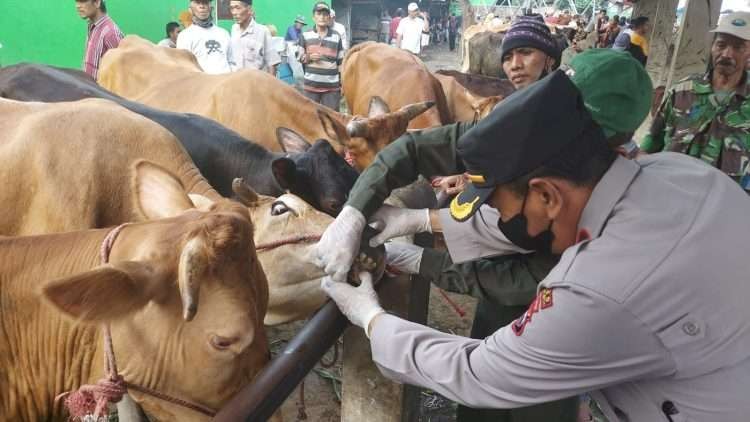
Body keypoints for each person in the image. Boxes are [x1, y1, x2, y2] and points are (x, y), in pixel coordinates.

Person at [321, 68, 750, 421]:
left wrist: (371, 318)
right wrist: (361, 215)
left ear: (547, 195)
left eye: (501, 207)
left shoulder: (599, 287)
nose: (502, 220)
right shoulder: (682, 172)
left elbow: (477, 372)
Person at [643, 11, 750, 191]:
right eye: (721, 44)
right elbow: (652, 141)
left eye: (739, 48)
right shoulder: (682, 91)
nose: (727, 54)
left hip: (721, 209)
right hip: (666, 194)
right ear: (712, 47)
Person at [299, 2, 345, 110]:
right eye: (319, 14)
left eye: (325, 14)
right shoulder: (305, 35)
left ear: (329, 17)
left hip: (332, 88)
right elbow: (299, 56)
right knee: (310, 118)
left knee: (332, 119)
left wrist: (342, 84)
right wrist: (309, 57)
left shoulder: (336, 36)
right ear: (313, 17)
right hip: (311, 87)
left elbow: (340, 62)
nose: (322, 17)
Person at [177, 0, 234, 74]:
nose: (202, 6)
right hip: (201, 84)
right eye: (198, 3)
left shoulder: (224, 33)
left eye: (205, 3)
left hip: (226, 82)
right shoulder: (185, 36)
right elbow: (184, 67)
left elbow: (232, 62)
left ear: (211, 7)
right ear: (190, 9)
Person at [75, 0, 124, 79]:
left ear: (97, 2)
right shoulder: (92, 26)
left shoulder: (111, 33)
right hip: (89, 88)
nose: (77, 6)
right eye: (76, 1)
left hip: (99, 90)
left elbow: (121, 73)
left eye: (82, 1)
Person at [228, 0, 280, 74]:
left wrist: (269, 84)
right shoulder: (234, 29)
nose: (234, 12)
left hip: (256, 83)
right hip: (237, 81)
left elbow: (272, 63)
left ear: (249, 10)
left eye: (238, 8)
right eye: (232, 8)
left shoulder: (262, 31)